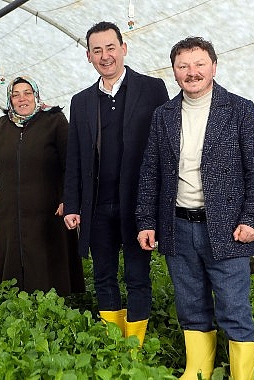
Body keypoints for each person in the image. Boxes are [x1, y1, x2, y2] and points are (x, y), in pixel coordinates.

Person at [136, 37, 254, 380]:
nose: (191, 73)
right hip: (177, 226)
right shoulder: (163, 115)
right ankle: (198, 371)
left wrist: (252, 218)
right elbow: (151, 171)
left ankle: (243, 376)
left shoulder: (240, 110)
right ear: (174, 72)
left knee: (234, 309)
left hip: (226, 229)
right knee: (191, 305)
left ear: (213, 66)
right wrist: (147, 220)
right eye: (183, 66)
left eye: (198, 64)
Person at [63, 21, 169, 346]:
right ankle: (114, 341)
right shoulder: (81, 101)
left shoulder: (152, 89)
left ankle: (134, 347)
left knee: (138, 276)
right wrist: (72, 203)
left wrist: (159, 206)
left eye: (111, 47)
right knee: (104, 275)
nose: (105, 56)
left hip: (137, 205)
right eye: (97, 50)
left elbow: (165, 149)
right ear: (88, 56)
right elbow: (75, 157)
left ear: (124, 48)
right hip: (97, 206)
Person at [0, 76, 85, 297]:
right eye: (16, 94)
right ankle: (15, 304)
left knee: (46, 259)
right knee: (14, 257)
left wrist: (68, 198)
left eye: (27, 93)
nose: (22, 98)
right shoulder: (1, 126)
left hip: (49, 209)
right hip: (11, 210)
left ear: (36, 95)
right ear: (10, 99)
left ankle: (53, 307)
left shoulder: (54, 121)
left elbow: (71, 163)